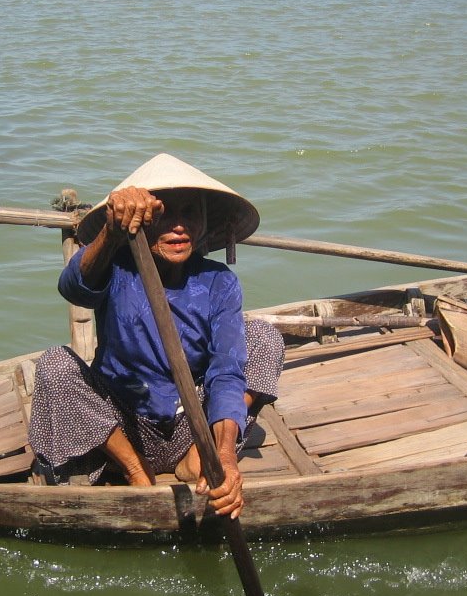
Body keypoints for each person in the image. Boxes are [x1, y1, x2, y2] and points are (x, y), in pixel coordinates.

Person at [27, 154, 284, 519]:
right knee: (55, 366)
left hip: (188, 419)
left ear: (205, 222)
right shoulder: (114, 266)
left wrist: (223, 456)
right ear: (143, 219)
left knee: (263, 337)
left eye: (190, 214)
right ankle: (135, 470)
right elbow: (74, 288)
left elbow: (226, 371)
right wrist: (112, 234)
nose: (179, 227)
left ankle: (198, 455)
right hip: (121, 423)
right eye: (165, 215)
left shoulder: (218, 282)